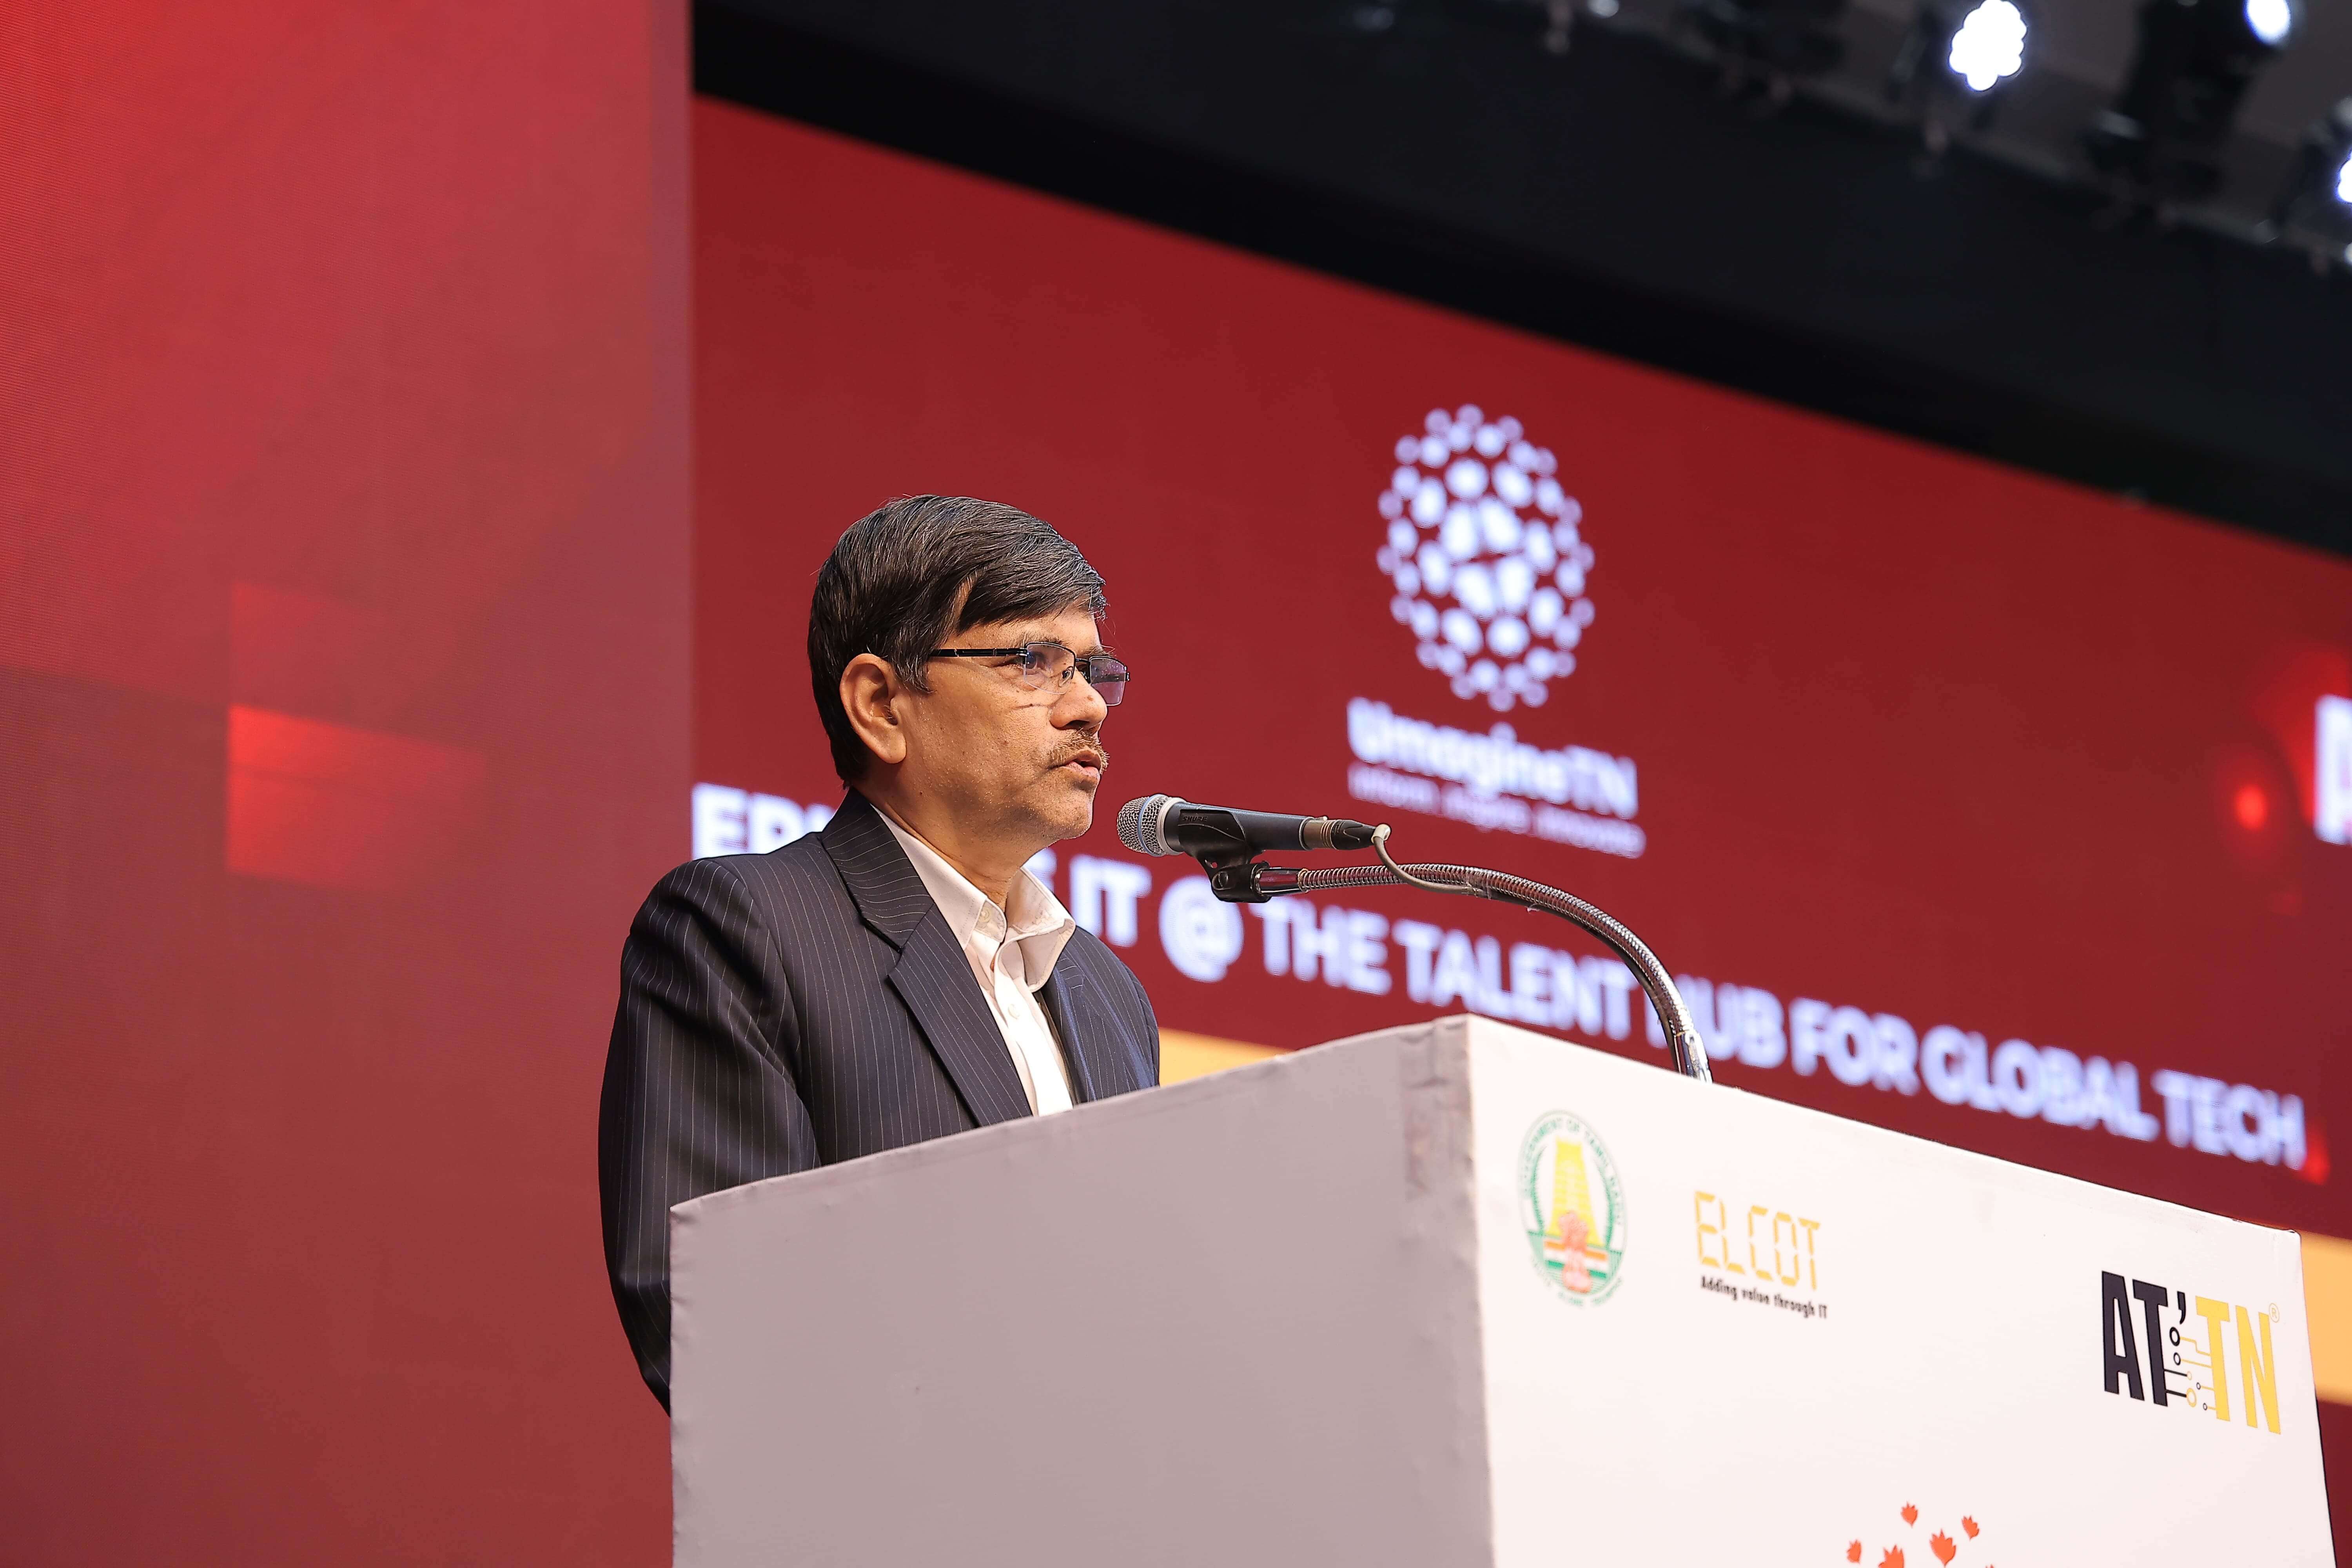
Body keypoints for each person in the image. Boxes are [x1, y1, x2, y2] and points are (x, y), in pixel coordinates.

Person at [597, 495, 1159, 1410]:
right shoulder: (745, 929)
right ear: (880, 704)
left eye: (1094, 670)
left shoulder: (1108, 993)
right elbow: (719, 1320)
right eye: (1033, 661)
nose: (1089, 705)